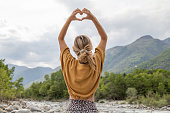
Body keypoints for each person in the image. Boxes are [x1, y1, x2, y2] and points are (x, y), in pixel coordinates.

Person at [58, 8, 107, 113]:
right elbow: (104, 38)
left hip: (72, 109)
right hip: (91, 109)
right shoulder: (96, 61)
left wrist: (70, 19)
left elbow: (60, 39)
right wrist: (93, 18)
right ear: (90, 47)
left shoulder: (69, 63)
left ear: (75, 49)